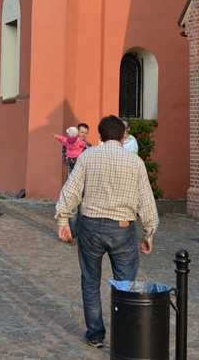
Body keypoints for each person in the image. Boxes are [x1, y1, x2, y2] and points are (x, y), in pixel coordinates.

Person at [54, 115, 158, 349]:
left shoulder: (88, 156)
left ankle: (95, 334)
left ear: (99, 135)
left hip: (90, 226)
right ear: (123, 136)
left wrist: (63, 219)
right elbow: (147, 202)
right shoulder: (135, 163)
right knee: (125, 284)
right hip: (123, 228)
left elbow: (71, 190)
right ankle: (125, 335)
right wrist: (149, 233)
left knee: (90, 282)